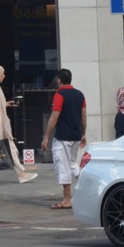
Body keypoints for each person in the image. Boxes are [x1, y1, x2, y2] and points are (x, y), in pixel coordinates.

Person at [41, 69, 86, 209]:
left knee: (63, 166)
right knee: (73, 164)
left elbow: (54, 117)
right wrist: (83, 133)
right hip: (75, 135)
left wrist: (46, 136)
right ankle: (88, 186)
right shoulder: (80, 95)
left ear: (59, 80)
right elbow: (83, 117)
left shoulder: (59, 95)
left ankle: (67, 199)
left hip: (62, 137)